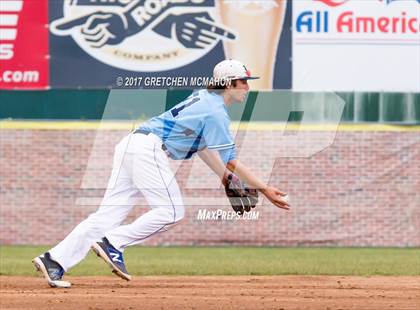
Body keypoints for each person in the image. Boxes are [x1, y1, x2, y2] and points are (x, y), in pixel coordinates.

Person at [32, 59, 290, 288]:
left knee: (107, 215)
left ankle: (54, 260)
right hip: (148, 149)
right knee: (172, 212)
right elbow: (232, 161)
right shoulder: (215, 112)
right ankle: (113, 242)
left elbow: (202, 147)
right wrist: (265, 190)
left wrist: (223, 178)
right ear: (230, 83)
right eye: (244, 82)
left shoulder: (204, 98)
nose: (247, 87)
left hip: (132, 145)